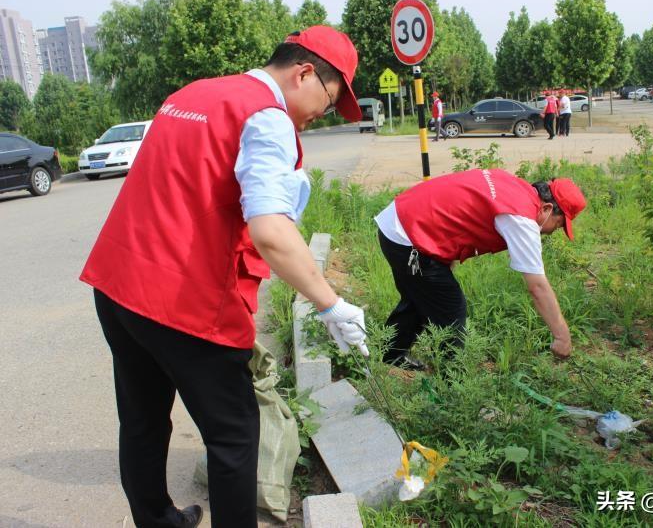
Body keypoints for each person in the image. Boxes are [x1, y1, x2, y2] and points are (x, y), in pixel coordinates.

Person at [80, 26, 369, 528]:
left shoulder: (193, 93)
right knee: (235, 433)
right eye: (327, 100)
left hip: (117, 285)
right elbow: (270, 230)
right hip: (180, 302)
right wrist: (330, 303)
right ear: (303, 73)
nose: (320, 116)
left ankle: (157, 519)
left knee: (143, 419)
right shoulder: (268, 117)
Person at [374, 169, 586, 370]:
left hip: (397, 220)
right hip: (408, 236)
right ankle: (453, 385)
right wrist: (562, 336)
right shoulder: (521, 218)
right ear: (547, 208)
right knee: (450, 308)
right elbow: (538, 287)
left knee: (421, 296)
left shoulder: (515, 186)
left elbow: (464, 206)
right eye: (558, 225)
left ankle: (390, 355)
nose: (551, 232)